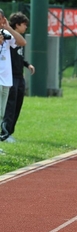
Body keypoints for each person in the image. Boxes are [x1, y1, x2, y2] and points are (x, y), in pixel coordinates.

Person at [2, 12, 35, 143]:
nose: (26, 27)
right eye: (24, 25)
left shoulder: (16, 38)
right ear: (17, 25)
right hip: (10, 77)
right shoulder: (6, 36)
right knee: (9, 106)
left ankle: (9, 132)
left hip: (19, 77)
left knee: (17, 105)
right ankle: (5, 133)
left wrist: (27, 64)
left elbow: (19, 56)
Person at [0, 9, 27, 150]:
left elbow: (22, 42)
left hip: (7, 80)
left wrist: (8, 28)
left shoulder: (6, 35)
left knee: (2, 113)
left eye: (1, 18)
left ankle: (4, 136)